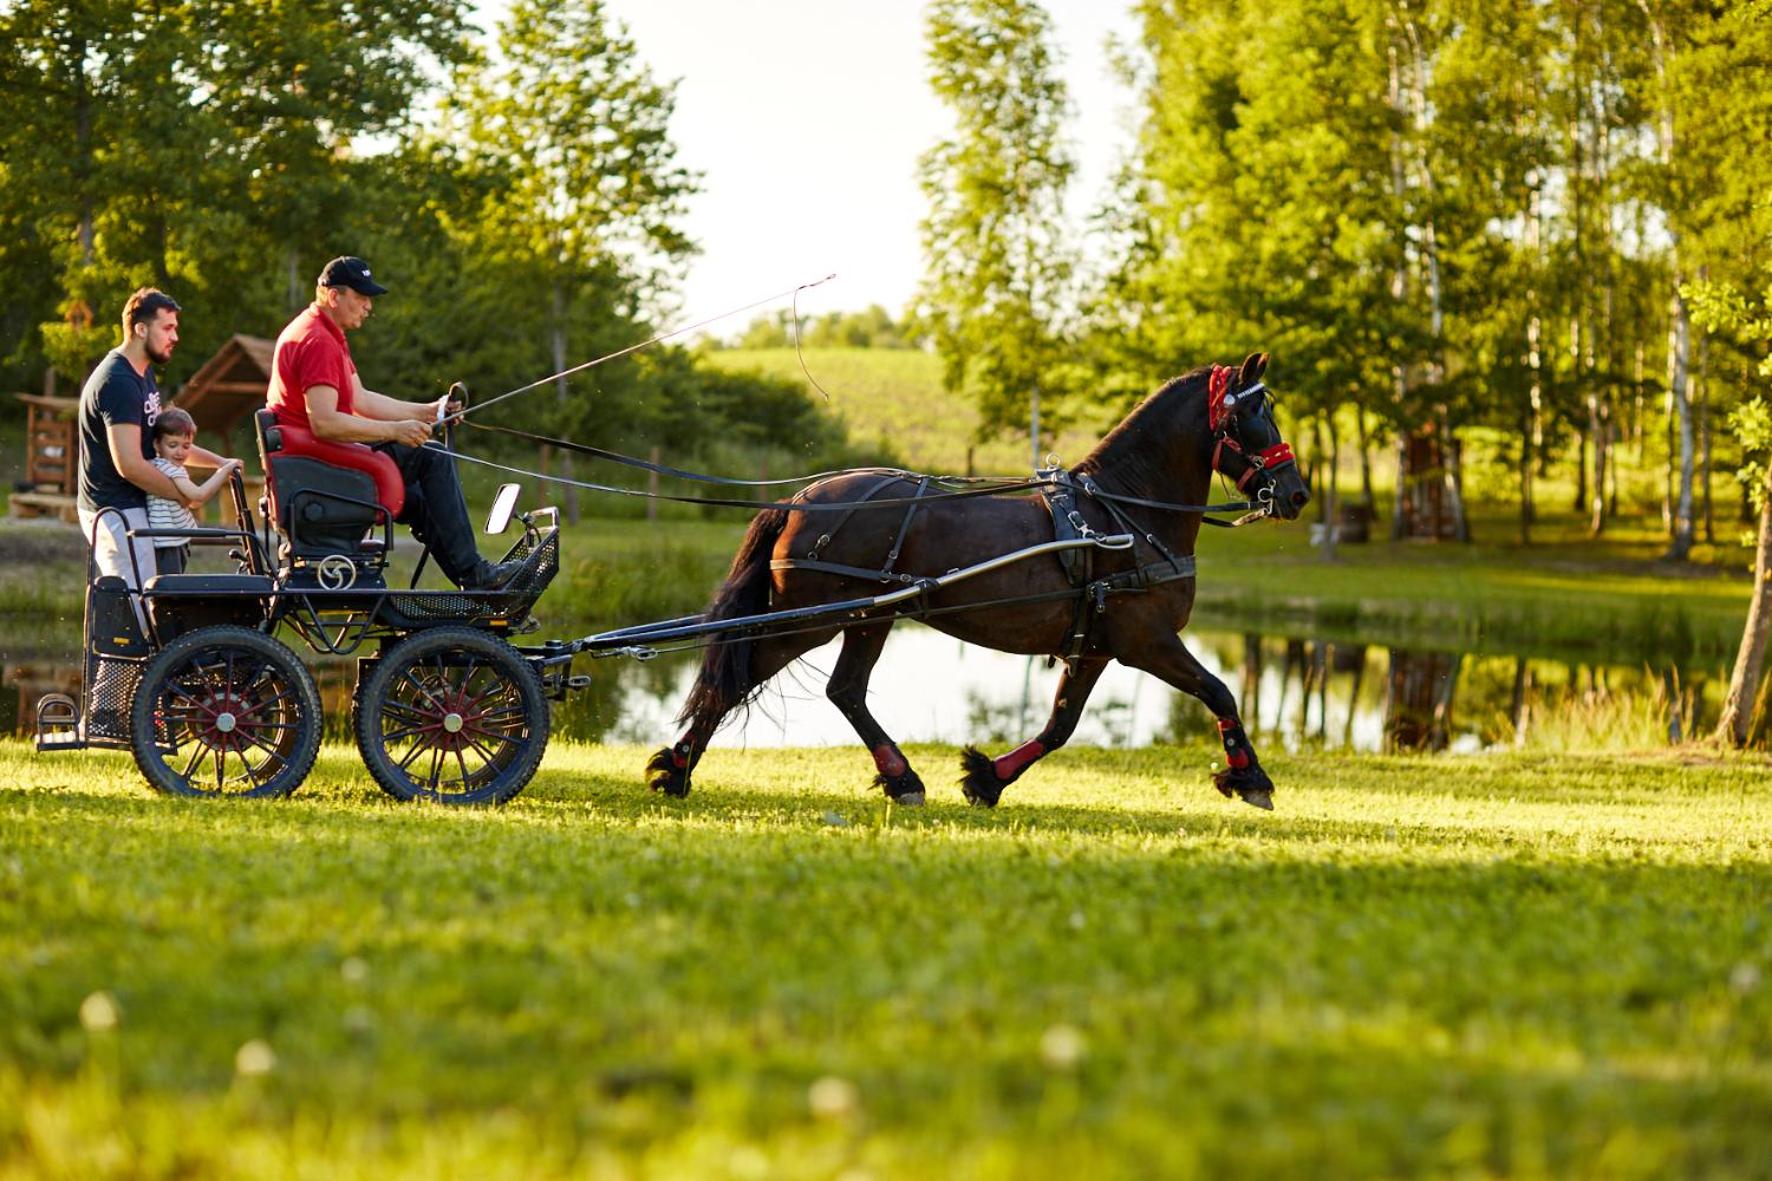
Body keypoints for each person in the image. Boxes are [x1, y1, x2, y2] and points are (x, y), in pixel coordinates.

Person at [264, 256, 518, 589]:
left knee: (419, 499)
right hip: (316, 465)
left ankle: (473, 582)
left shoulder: (324, 332)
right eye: (361, 297)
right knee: (432, 456)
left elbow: (361, 400)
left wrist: (429, 412)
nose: (369, 306)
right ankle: (475, 574)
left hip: (314, 460)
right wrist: (395, 431)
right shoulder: (318, 341)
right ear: (334, 296)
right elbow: (324, 423)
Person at [77, 288, 235, 591]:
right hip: (115, 509)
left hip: (138, 503)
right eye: (167, 328)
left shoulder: (142, 373)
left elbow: (167, 442)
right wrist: (184, 495)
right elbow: (130, 466)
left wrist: (222, 464)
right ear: (141, 329)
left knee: (159, 599)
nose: (175, 336)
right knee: (140, 603)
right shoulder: (118, 381)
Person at [145, 408, 242, 576]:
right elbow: (199, 495)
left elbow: (193, 502)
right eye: (172, 445)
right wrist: (224, 470)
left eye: (186, 446)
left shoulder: (164, 466)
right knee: (170, 585)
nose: (180, 452)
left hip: (172, 539)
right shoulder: (168, 469)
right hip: (167, 542)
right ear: (156, 444)